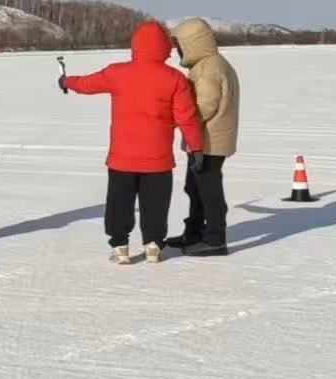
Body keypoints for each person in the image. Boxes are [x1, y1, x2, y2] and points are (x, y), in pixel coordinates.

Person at [61, 21, 206, 265]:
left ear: (136, 45)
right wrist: (196, 147)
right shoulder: (175, 78)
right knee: (155, 204)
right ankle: (153, 244)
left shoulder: (117, 73)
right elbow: (187, 118)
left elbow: (86, 84)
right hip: (158, 160)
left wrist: (66, 82)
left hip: (122, 158)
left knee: (119, 203)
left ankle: (120, 246)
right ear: (164, 48)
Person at [168, 18, 241, 257]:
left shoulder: (208, 68)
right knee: (195, 188)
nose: (178, 50)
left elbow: (204, 107)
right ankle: (195, 232)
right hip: (205, 139)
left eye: (180, 45)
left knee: (209, 191)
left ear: (192, 43)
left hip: (210, 142)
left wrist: (178, 120)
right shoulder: (209, 64)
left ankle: (215, 239)